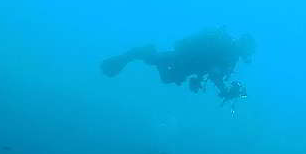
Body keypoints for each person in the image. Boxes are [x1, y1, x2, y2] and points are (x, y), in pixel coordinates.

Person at [101, 27, 254, 103]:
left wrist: (198, 78)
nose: (248, 54)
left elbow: (209, 66)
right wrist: (225, 90)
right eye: (249, 50)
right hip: (186, 60)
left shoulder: (229, 51)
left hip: (188, 61)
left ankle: (141, 54)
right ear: (244, 46)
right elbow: (214, 72)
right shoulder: (229, 52)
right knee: (160, 68)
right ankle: (147, 51)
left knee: (162, 70)